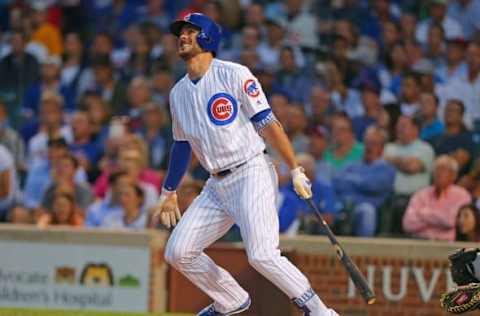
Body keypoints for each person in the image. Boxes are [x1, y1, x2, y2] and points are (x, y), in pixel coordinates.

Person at [151, 13, 338, 316]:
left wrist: (294, 168)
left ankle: (320, 312)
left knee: (262, 255)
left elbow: (268, 123)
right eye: (180, 33)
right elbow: (182, 144)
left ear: (209, 37)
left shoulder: (234, 74)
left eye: (191, 31)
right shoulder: (178, 92)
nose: (182, 37)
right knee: (178, 251)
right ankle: (231, 299)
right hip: (215, 184)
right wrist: (169, 190)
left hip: (250, 171)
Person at [402, 155, 471, 241]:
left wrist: (423, 214)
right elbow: (408, 224)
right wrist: (439, 220)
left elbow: (451, 221)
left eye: (443, 170)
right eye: (436, 169)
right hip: (419, 242)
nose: (438, 173)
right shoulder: (421, 194)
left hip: (450, 245)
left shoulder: (462, 195)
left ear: (453, 175)